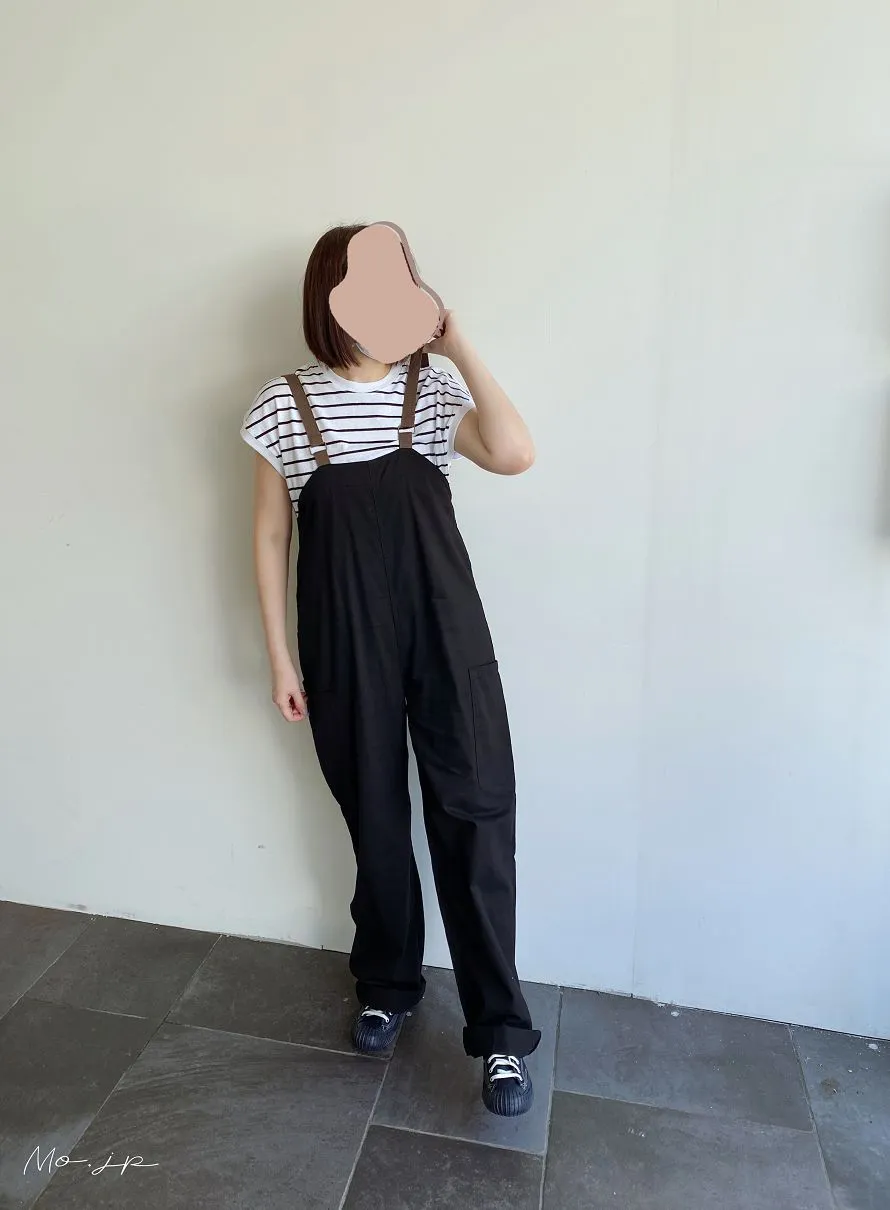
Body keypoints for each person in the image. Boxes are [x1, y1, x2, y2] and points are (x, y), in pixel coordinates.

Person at [240, 224, 540, 1116]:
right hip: (342, 640)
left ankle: (500, 1033)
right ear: (329, 300)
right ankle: (386, 985)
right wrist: (280, 655)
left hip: (447, 634)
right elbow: (269, 536)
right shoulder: (284, 403)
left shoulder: (432, 387)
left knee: (476, 816)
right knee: (374, 818)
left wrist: (460, 343)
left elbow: (515, 453)